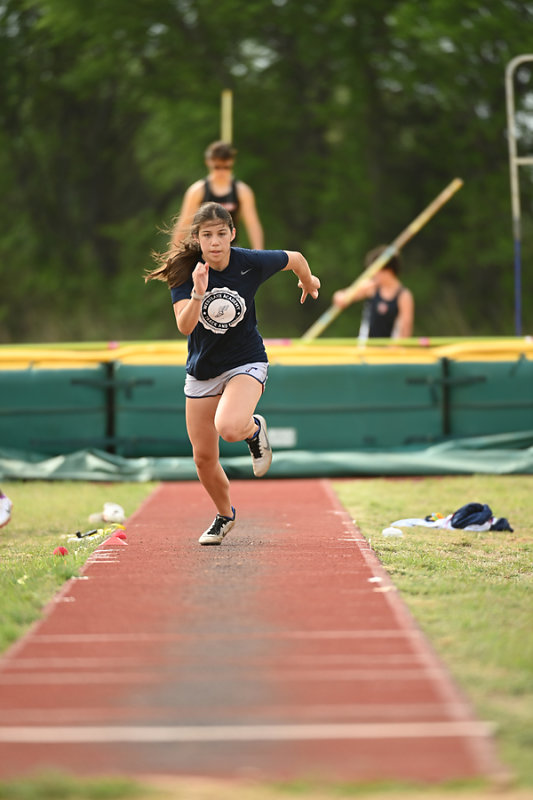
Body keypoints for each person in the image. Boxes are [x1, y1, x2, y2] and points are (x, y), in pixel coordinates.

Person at [146, 201, 320, 546]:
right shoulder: (186, 270)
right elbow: (185, 326)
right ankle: (225, 515)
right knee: (203, 458)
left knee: (228, 427)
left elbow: (296, 258)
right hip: (203, 371)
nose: (215, 242)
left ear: (232, 234)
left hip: (245, 361)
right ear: (197, 238)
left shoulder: (249, 262)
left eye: (221, 234)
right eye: (207, 235)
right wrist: (198, 292)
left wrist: (308, 280)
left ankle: (252, 430)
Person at [171, 141, 264, 250]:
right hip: (202, 251)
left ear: (232, 163)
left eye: (226, 167)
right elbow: (184, 225)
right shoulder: (197, 191)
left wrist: (259, 254)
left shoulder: (242, 191)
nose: (221, 172)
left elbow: (252, 225)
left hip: (229, 250)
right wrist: (174, 254)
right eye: (217, 167)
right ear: (208, 163)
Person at [332, 245, 414, 340]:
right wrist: (345, 296)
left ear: (388, 271)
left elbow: (405, 330)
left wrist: (395, 347)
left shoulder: (404, 296)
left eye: (375, 270)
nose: (373, 274)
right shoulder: (371, 288)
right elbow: (339, 298)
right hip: (366, 346)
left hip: (389, 348)